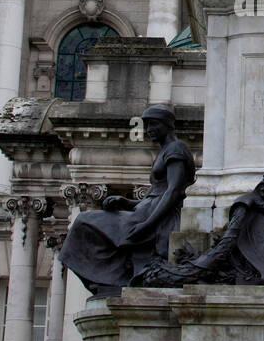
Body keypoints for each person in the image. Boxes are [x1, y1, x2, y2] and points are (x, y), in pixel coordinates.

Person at [59, 105, 196, 294]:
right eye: (146, 125)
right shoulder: (166, 150)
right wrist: (125, 202)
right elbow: (156, 194)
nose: (149, 130)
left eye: (153, 124)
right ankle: (107, 280)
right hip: (146, 212)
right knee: (86, 223)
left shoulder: (176, 149)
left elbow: (173, 191)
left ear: (168, 125)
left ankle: (108, 279)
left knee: (84, 222)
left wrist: (148, 224)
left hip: (159, 220)